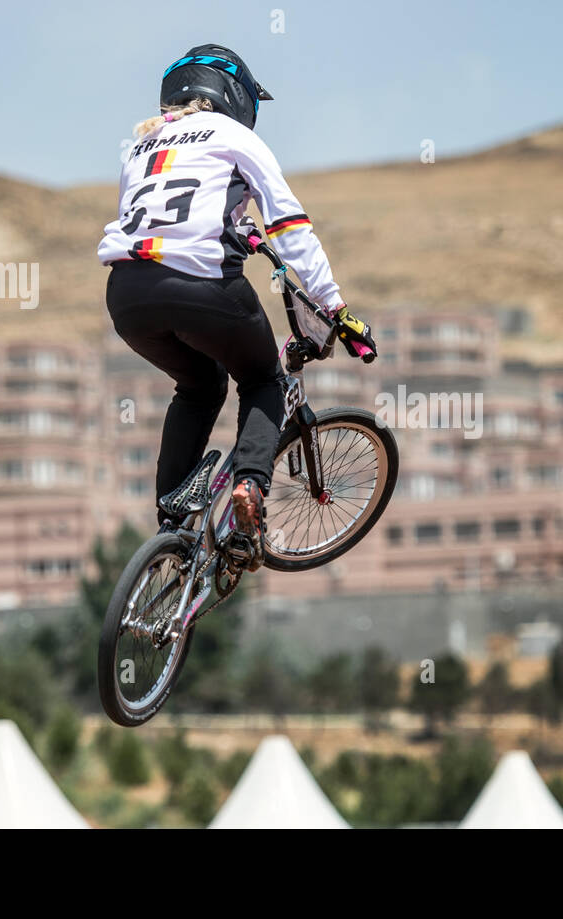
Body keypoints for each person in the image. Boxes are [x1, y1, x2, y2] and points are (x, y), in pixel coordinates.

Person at [98, 44, 375, 570]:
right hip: (201, 287)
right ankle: (250, 485)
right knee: (264, 379)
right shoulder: (235, 136)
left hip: (128, 296)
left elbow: (161, 215)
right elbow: (290, 226)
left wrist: (233, 231)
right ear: (233, 96)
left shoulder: (138, 145)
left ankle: (172, 526)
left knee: (200, 386)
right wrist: (335, 307)